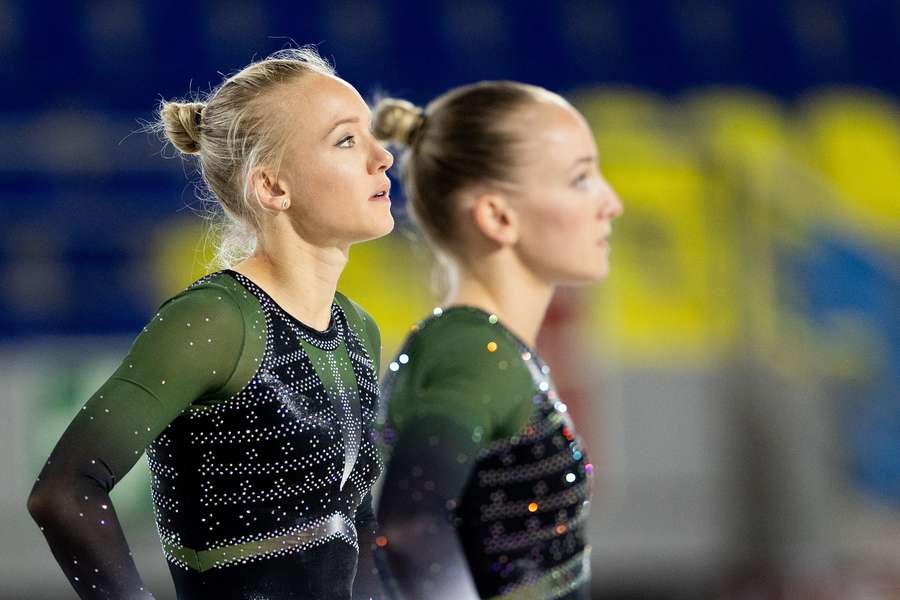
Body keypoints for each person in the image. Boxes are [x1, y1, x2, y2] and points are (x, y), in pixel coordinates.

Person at [27, 47, 394, 600]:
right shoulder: (217, 320)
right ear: (272, 187)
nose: (383, 157)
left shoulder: (356, 329)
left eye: (371, 135)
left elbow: (353, 526)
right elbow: (63, 491)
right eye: (346, 140)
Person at [371, 82, 623, 600]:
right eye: (580, 178)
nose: (611, 203)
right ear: (497, 216)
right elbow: (410, 523)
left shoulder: (490, 349)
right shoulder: (475, 353)